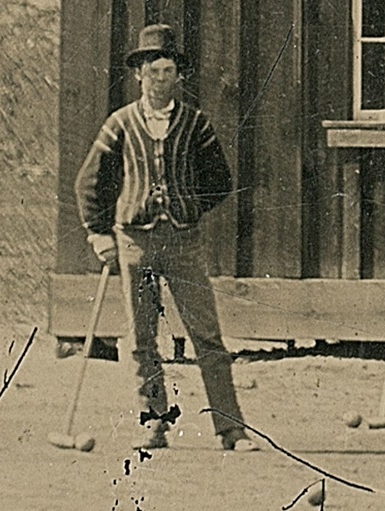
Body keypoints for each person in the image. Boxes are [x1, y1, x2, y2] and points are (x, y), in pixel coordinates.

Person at [75, 24, 257, 451]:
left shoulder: (196, 124)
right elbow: (89, 184)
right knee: (141, 339)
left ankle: (231, 430)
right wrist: (99, 235)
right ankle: (153, 424)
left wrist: (187, 206)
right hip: (134, 242)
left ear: (179, 76)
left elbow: (220, 181)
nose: (160, 79)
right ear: (139, 74)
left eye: (168, 70)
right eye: (153, 70)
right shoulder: (119, 123)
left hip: (183, 242)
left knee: (207, 337)